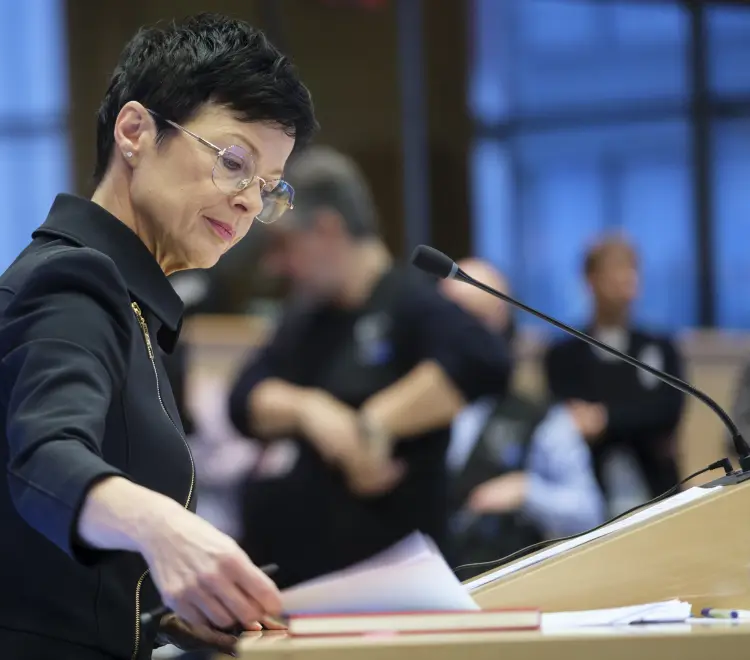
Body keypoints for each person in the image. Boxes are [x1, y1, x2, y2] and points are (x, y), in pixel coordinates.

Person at [0, 14, 317, 660]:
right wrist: (166, 531)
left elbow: (84, 586)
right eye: (233, 162)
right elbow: (45, 459)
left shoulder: (128, 299)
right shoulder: (72, 282)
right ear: (135, 131)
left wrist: (174, 615)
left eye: (269, 188)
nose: (250, 201)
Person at [227, 146, 512, 589]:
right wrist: (311, 410)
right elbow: (244, 400)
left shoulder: (410, 303)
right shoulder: (306, 319)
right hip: (306, 583)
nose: (277, 265)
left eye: (285, 245)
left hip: (399, 579)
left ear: (326, 229)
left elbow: (485, 360)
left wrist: (375, 424)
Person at [439, 259, 604, 578]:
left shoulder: (539, 417)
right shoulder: (398, 409)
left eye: (474, 318)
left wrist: (528, 492)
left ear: (503, 327)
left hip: (498, 589)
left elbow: (590, 512)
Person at [544, 236, 685, 517]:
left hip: (659, 488)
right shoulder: (564, 353)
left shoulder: (660, 346)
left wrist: (606, 418)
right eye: (614, 268)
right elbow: (572, 420)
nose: (625, 278)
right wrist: (631, 412)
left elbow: (666, 411)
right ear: (590, 279)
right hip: (589, 495)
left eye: (631, 268)